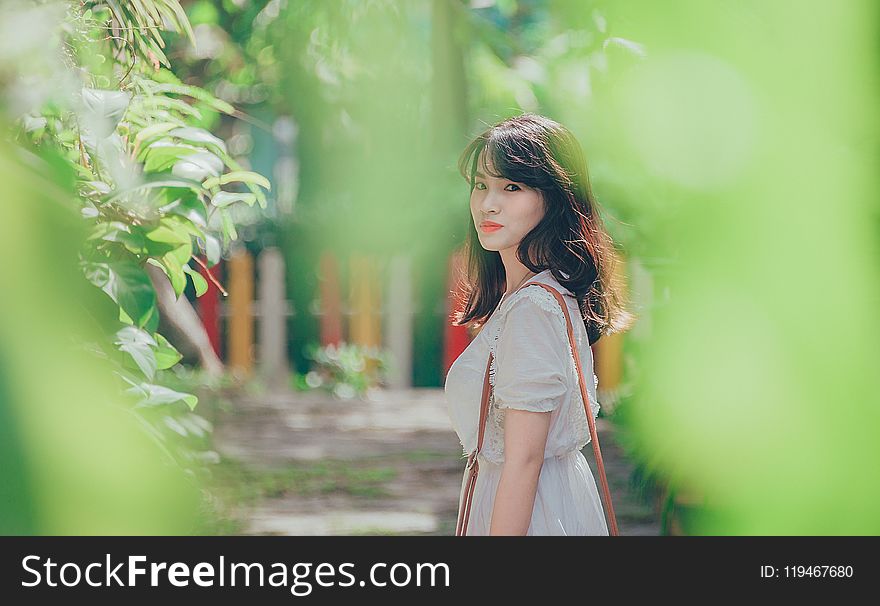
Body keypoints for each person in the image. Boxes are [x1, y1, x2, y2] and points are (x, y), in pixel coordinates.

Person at [444, 113, 635, 535]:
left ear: (554, 197)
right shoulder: (530, 298)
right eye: (481, 185)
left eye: (512, 186)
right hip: (545, 501)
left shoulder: (533, 309)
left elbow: (524, 460)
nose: (488, 203)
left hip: (532, 514)